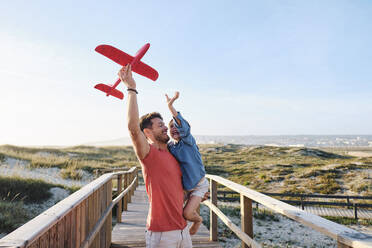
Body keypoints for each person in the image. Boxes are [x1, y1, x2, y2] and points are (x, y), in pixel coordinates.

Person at [118, 65, 194, 248]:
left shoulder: (174, 153)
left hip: (183, 230)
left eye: (163, 124)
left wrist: (193, 195)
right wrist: (131, 88)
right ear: (148, 132)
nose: (165, 127)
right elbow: (133, 129)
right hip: (161, 234)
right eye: (160, 125)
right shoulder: (148, 154)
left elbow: (176, 192)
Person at [166, 91, 208, 235]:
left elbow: (182, 126)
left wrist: (170, 106)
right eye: (171, 127)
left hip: (199, 185)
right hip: (184, 186)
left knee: (188, 213)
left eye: (176, 126)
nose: (174, 128)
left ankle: (198, 221)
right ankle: (179, 233)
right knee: (173, 209)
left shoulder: (188, 141)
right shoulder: (171, 147)